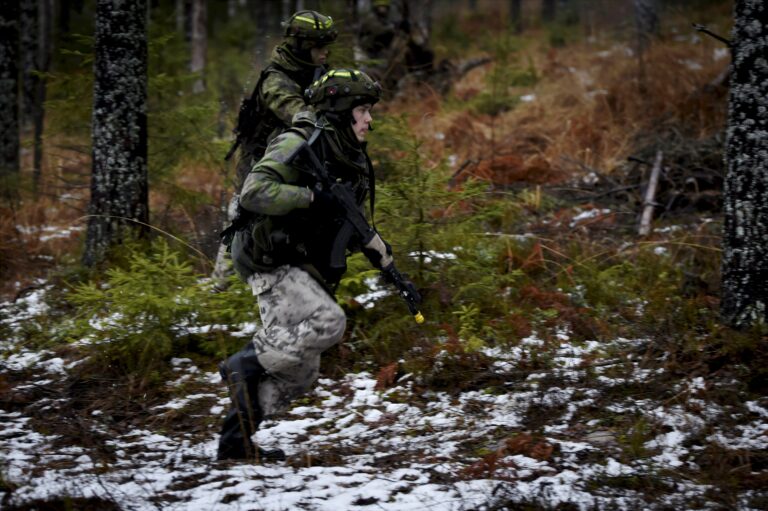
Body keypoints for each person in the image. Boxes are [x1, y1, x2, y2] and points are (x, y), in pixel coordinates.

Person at [216, 68, 417, 462]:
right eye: (362, 110)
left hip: (296, 263)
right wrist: (309, 198)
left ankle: (236, 442)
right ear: (342, 111)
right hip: (269, 259)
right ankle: (245, 361)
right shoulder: (299, 142)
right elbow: (254, 192)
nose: (370, 119)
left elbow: (354, 221)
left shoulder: (348, 154)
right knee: (330, 322)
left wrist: (392, 268)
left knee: (301, 373)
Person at [212, 10, 338, 289]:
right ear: (302, 46)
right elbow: (299, 115)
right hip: (260, 160)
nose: (325, 53)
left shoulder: (315, 70)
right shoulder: (276, 80)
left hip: (295, 158)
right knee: (242, 215)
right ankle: (221, 288)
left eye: (326, 47)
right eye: (319, 47)